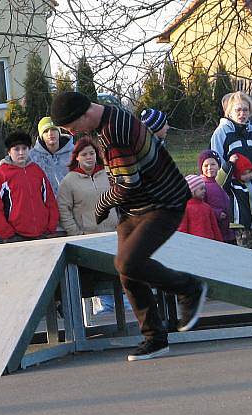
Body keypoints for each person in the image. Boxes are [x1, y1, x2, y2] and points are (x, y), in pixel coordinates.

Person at [50, 91, 207, 361]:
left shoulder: (113, 134)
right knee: (126, 272)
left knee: (129, 263)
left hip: (163, 203)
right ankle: (155, 339)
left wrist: (101, 204)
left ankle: (189, 287)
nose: (75, 135)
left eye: (73, 128)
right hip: (136, 208)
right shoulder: (110, 116)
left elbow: (127, 184)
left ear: (85, 114)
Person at [0, 130, 59, 242]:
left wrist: (51, 227)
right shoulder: (1, 175)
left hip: (42, 234)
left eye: (24, 148)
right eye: (16, 149)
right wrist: (7, 233)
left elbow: (50, 200)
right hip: (15, 236)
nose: (21, 152)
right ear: (9, 152)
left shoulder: (37, 171)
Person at [57, 136, 118, 235]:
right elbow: (63, 209)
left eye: (91, 153)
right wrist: (76, 233)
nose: (89, 157)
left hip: (112, 232)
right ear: (77, 157)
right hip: (87, 235)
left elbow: (120, 201)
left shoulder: (108, 174)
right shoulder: (69, 181)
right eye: (84, 154)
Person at [211, 91, 252, 177]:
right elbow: (218, 163)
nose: (242, 114)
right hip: (231, 186)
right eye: (238, 110)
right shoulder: (221, 132)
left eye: (245, 110)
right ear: (229, 112)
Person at [216, 153, 252, 250]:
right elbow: (220, 181)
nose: (247, 176)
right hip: (242, 225)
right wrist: (230, 164)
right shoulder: (233, 185)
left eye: (249, 172)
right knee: (245, 250)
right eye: (243, 174)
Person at [29, 116, 74, 194]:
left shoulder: (74, 152)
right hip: (44, 203)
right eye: (46, 131)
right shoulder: (32, 157)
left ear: (59, 132)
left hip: (70, 202)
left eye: (53, 129)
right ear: (41, 135)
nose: (50, 133)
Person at [197, 149, 234, 243]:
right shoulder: (201, 185)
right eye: (206, 165)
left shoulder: (224, 181)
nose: (209, 168)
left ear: (219, 165)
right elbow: (200, 206)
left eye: (213, 164)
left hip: (229, 229)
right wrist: (217, 213)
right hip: (214, 229)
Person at [177, 175, 223, 241]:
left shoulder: (207, 207)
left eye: (204, 188)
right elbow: (182, 229)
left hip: (210, 242)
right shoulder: (185, 208)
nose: (204, 191)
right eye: (201, 189)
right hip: (194, 244)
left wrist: (220, 242)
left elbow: (214, 227)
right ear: (191, 191)